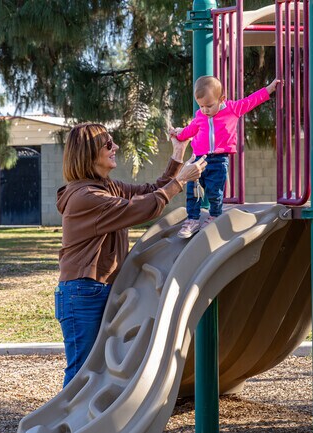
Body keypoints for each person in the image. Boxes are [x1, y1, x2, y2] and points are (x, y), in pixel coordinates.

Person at [55, 122, 206, 387]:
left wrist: (178, 154)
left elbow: (150, 191)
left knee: (96, 367)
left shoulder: (105, 187)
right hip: (83, 291)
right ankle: (68, 426)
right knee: (81, 370)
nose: (116, 147)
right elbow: (142, 209)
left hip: (97, 288)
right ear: (90, 153)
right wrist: (181, 180)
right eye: (108, 144)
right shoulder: (86, 197)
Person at [170, 76, 280, 238]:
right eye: (201, 106)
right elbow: (189, 130)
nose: (205, 110)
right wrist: (178, 135)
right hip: (198, 160)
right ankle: (192, 220)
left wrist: (269, 89)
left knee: (215, 192)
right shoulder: (200, 115)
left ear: (222, 99)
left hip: (218, 160)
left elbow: (251, 100)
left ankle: (215, 215)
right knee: (193, 191)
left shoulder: (232, 109)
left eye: (209, 106)